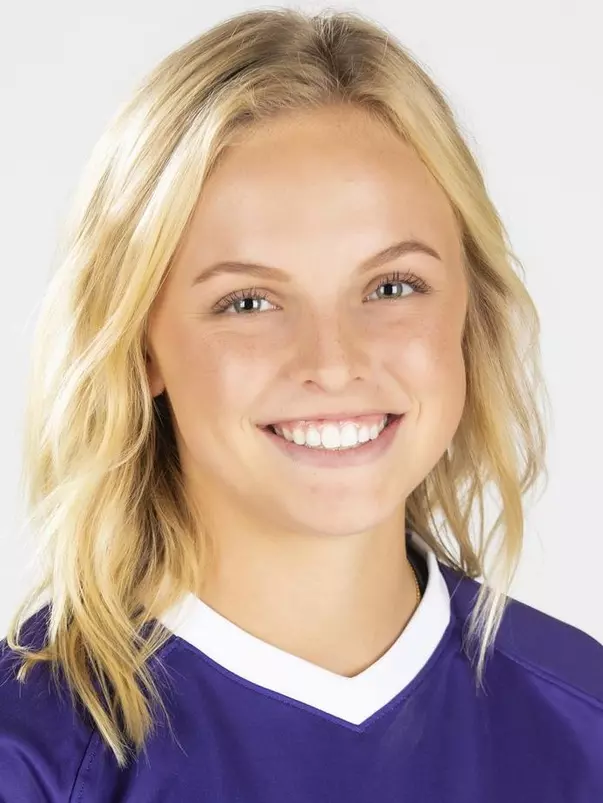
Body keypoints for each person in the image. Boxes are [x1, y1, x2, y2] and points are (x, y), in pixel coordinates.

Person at [1, 7, 602, 802]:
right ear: (140, 344)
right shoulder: (31, 753)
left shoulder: (581, 717)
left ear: (470, 311)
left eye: (391, 287)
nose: (332, 361)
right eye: (248, 301)